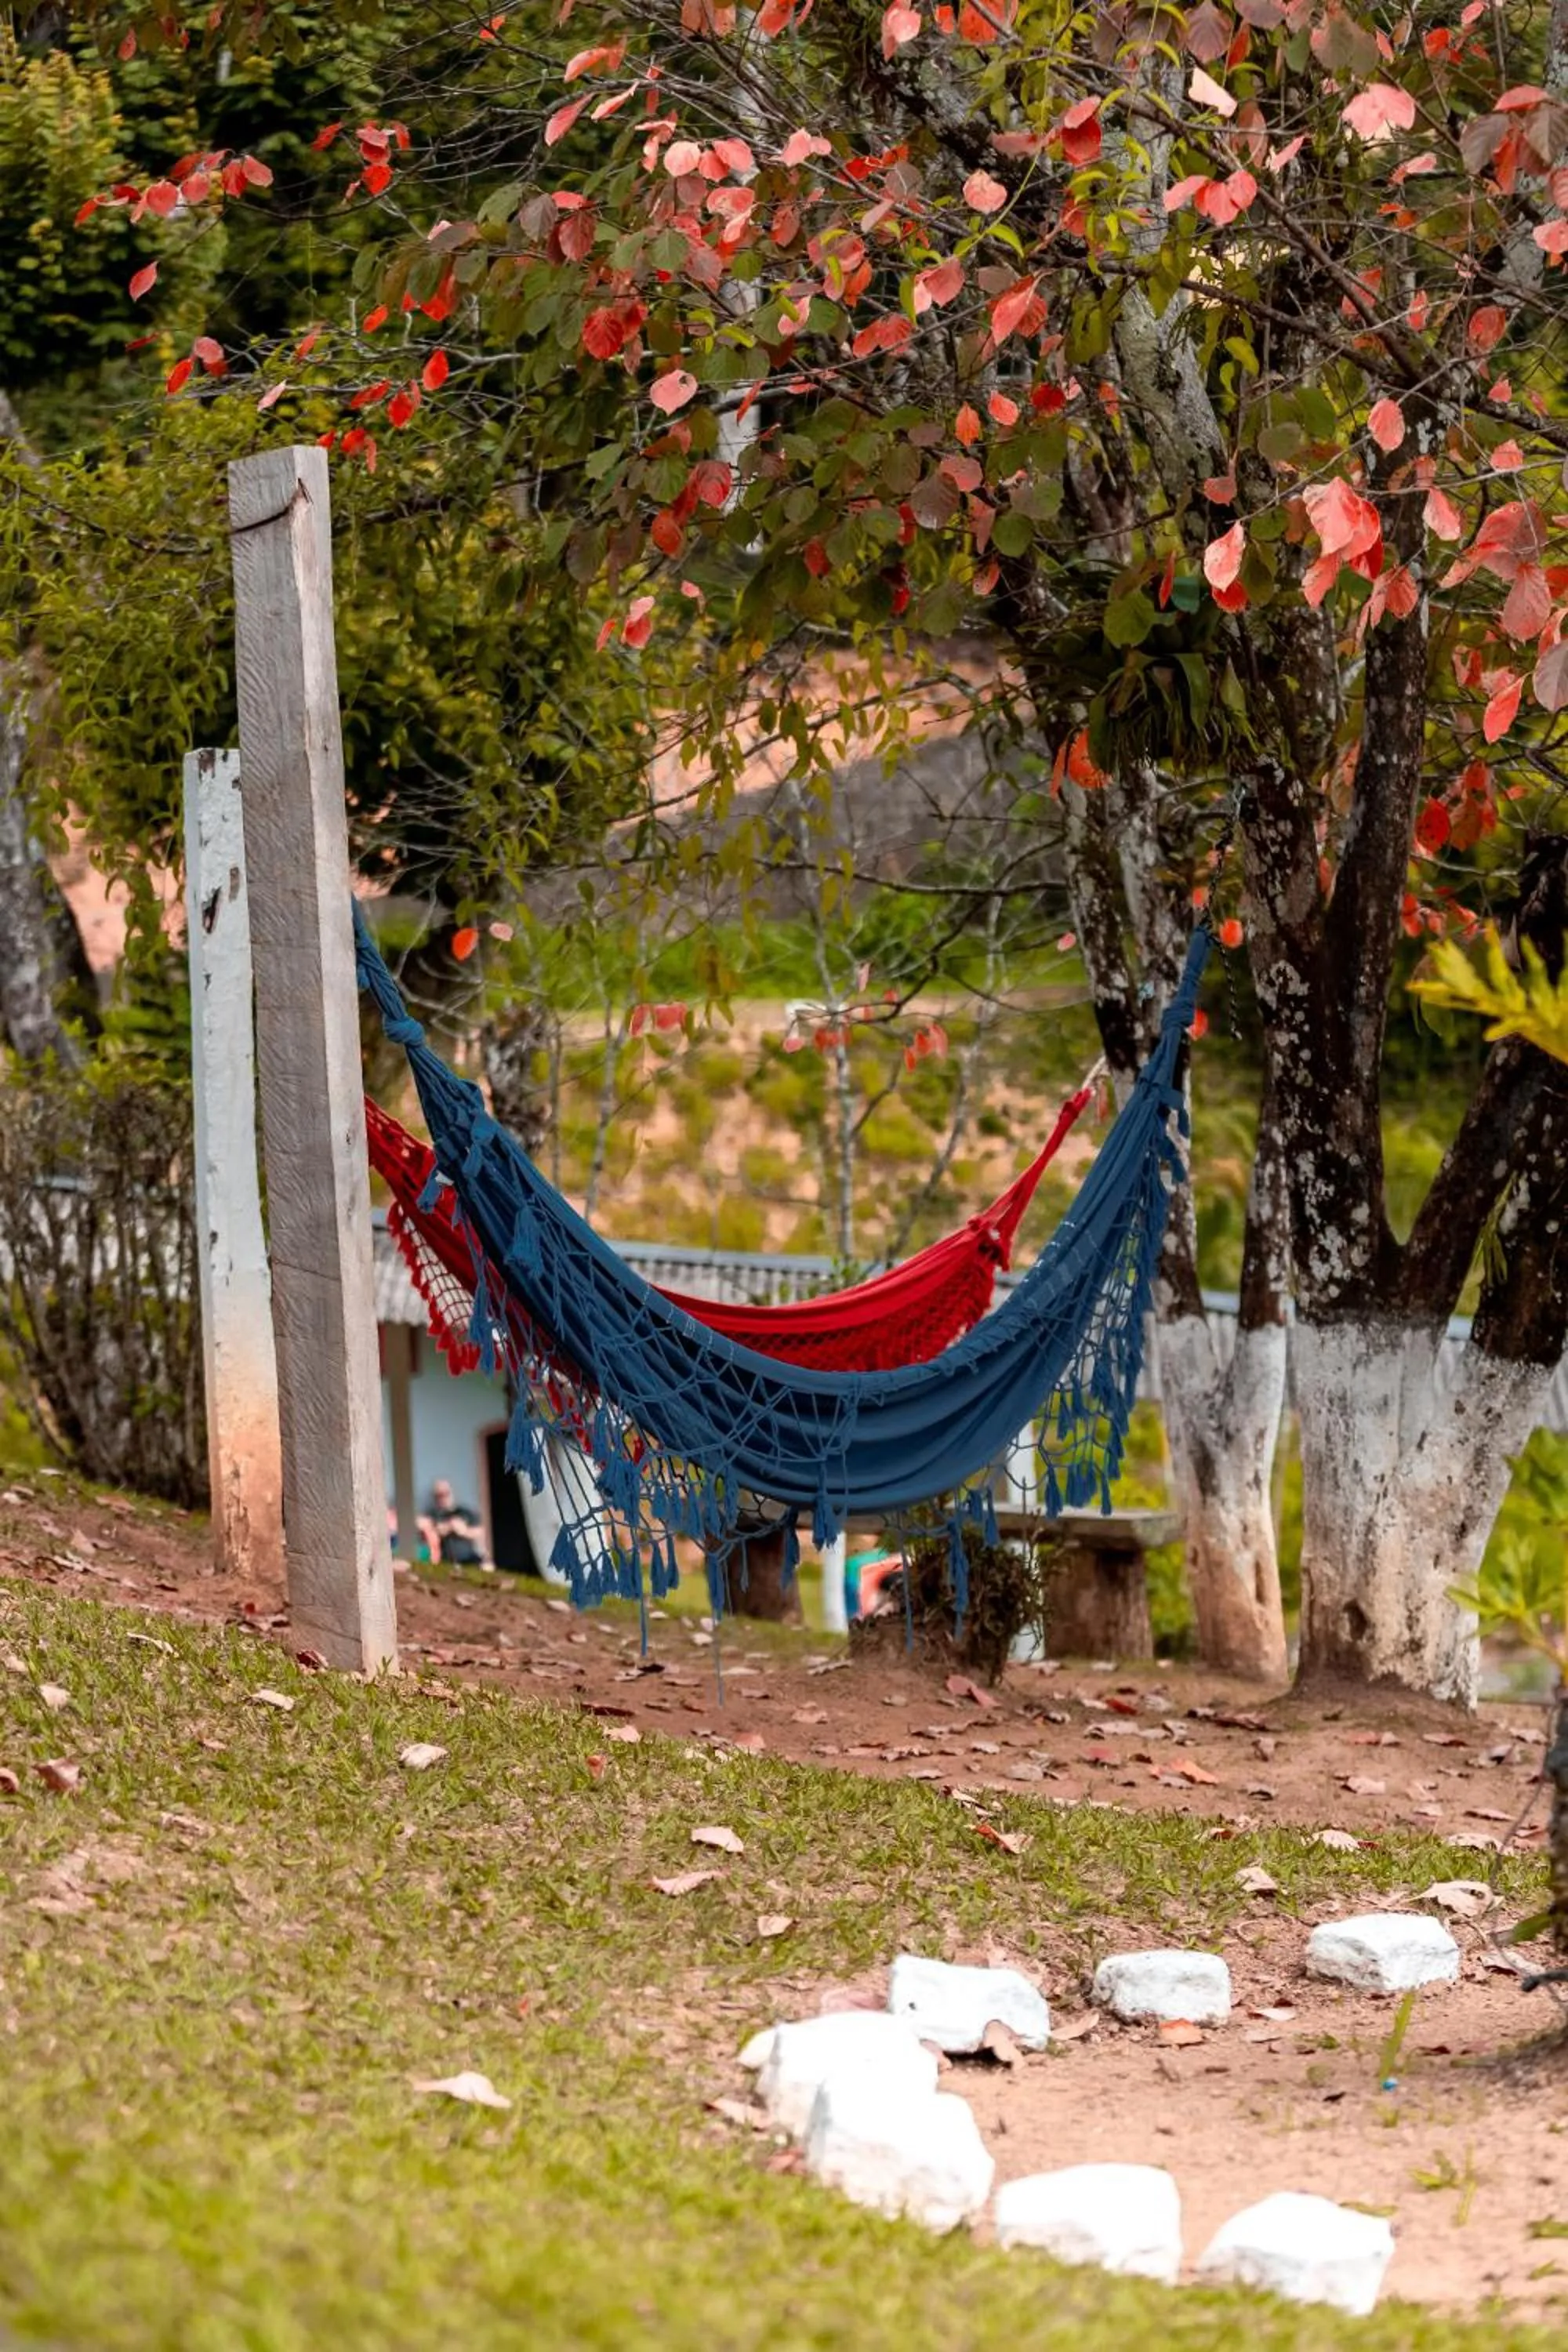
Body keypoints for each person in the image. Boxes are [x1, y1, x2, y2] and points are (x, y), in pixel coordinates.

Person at [419, 1479, 489, 1569]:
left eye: (446, 1494)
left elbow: (480, 1531)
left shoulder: (464, 1512)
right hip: (444, 1560)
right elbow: (423, 1526)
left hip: (468, 1558)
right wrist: (447, 1527)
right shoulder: (433, 1514)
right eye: (439, 1495)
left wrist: (464, 1531)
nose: (443, 1498)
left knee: (486, 1566)